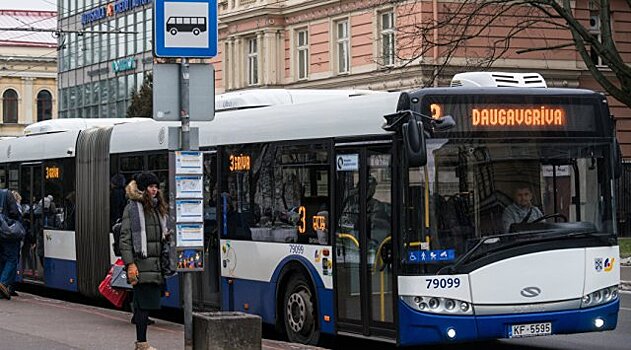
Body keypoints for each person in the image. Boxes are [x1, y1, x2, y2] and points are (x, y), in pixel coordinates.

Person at [119, 172, 169, 350]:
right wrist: (130, 264)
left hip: (155, 265)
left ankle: (142, 343)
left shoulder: (157, 208)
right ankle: (142, 343)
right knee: (143, 306)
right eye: (150, 186)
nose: (154, 190)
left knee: (144, 306)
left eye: (156, 186)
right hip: (141, 264)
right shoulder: (133, 208)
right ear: (142, 188)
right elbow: (125, 239)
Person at [0, 188, 23, 300]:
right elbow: (14, 213)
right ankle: (2, 283)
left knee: (1, 259)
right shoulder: (6, 194)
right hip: (7, 233)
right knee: (11, 259)